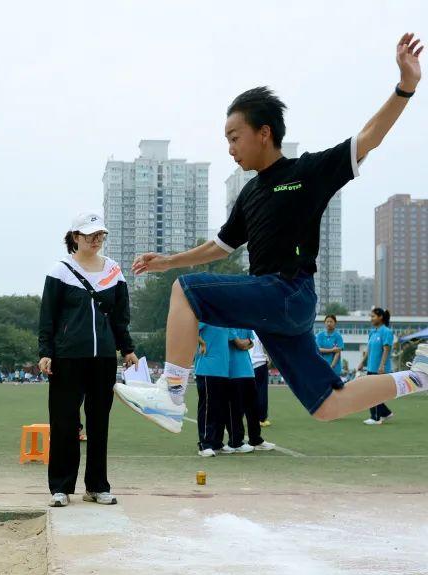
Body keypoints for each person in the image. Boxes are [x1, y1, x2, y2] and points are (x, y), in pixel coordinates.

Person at [114, 34, 428, 433]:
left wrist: (406, 86)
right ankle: (417, 378)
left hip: (288, 291)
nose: (230, 148)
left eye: (234, 137)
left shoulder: (307, 173)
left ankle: (172, 395)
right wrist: (168, 261)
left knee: (186, 291)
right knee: (327, 404)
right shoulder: (249, 193)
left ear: (264, 132)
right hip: (278, 309)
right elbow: (220, 246)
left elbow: (368, 138)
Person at [38, 212, 138, 508]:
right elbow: (48, 317)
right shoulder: (61, 271)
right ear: (75, 237)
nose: (96, 239)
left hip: (103, 359)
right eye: (90, 234)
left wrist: (127, 348)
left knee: (99, 424)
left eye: (100, 235)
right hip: (67, 358)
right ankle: (60, 487)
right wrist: (46, 351)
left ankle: (97, 486)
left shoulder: (114, 272)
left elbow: (121, 317)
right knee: (64, 423)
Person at [225, 329, 275, 453]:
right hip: (233, 370)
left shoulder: (245, 322)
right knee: (236, 409)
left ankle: (255, 439)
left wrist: (245, 343)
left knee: (253, 407)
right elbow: (241, 344)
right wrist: (244, 343)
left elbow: (251, 343)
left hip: (248, 369)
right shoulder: (229, 323)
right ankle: (235, 442)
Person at [194, 323, 230, 457]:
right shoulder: (207, 316)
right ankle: (205, 444)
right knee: (208, 407)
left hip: (223, 370)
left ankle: (217, 442)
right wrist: (202, 343)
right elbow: (190, 329)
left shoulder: (225, 319)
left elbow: (233, 339)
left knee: (220, 408)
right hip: (207, 368)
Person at [357, 308, 395, 425]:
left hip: (380, 369)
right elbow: (368, 350)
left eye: (373, 316)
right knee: (370, 393)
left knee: (373, 394)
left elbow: (386, 350)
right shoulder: (372, 332)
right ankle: (386, 413)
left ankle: (376, 418)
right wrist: (362, 362)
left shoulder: (386, 332)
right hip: (371, 368)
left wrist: (382, 365)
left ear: (380, 317)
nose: (371, 319)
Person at [249, 332, 271, 427]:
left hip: (248, 364)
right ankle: (262, 418)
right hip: (261, 362)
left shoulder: (243, 327)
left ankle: (250, 418)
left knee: (248, 393)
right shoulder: (259, 328)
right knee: (262, 392)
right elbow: (266, 345)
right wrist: (270, 359)